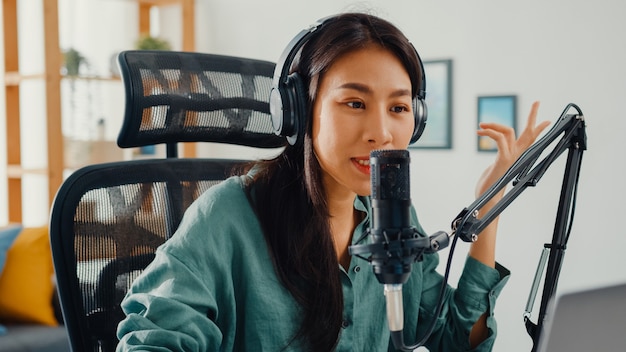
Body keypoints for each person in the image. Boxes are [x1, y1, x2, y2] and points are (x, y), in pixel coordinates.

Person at [116, 12, 550, 352]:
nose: (381, 132)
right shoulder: (226, 218)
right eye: (355, 103)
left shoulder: (396, 215)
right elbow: (152, 342)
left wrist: (488, 211)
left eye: (398, 108)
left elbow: (456, 341)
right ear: (298, 112)